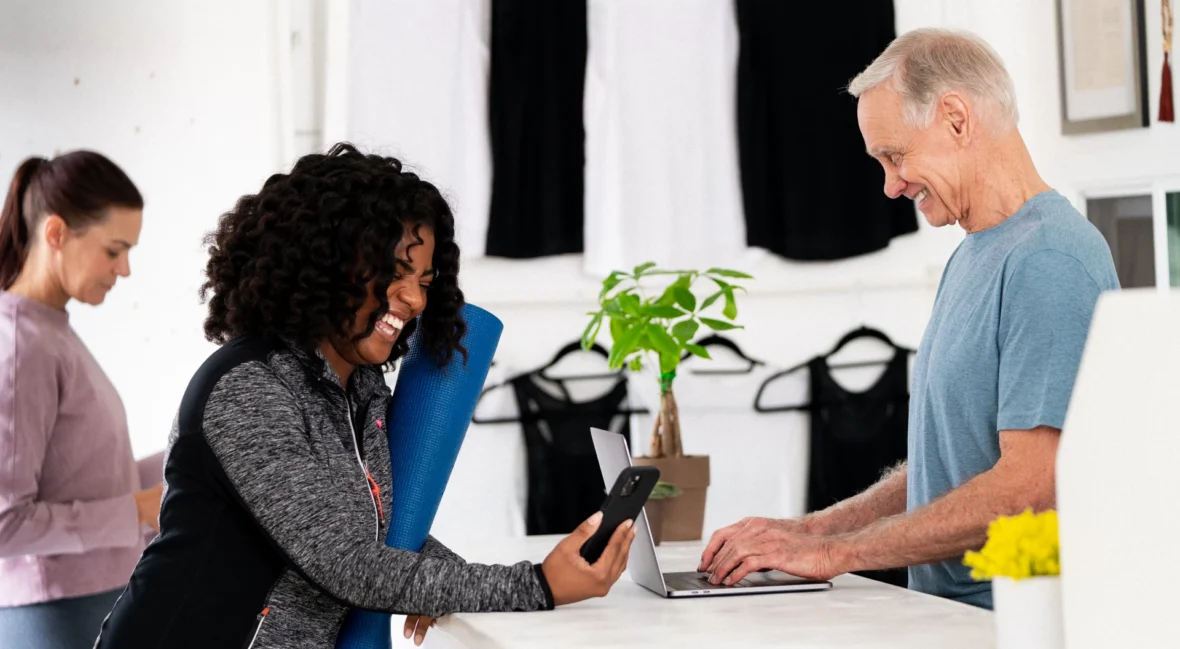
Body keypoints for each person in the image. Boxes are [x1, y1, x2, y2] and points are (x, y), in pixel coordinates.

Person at [96, 143, 637, 649]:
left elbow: (362, 523)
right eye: (395, 271)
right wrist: (537, 584)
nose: (414, 299)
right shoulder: (249, 386)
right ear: (322, 259)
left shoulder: (359, 387)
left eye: (425, 279)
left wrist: (440, 582)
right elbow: (343, 560)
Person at [700, 28, 1120, 609]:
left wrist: (836, 557)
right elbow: (944, 470)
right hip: (945, 617)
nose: (891, 185)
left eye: (895, 156)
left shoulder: (1049, 259)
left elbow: (1030, 488)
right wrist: (811, 532)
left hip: (1007, 626)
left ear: (955, 118)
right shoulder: (976, 253)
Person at [0, 151, 164, 649]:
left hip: (88, 603)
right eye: (114, 250)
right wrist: (136, 510)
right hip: (54, 615)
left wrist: (186, 457)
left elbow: (85, 476)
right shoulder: (19, 345)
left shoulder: (51, 335)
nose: (125, 269)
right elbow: (5, 524)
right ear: (56, 235)